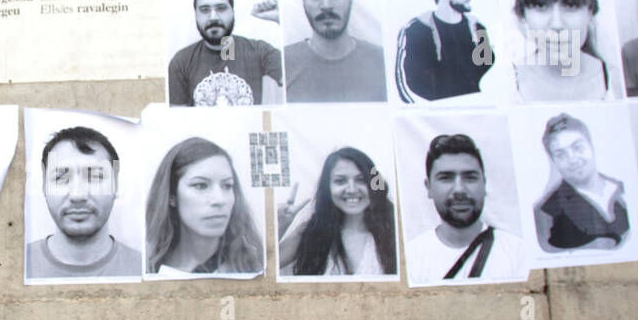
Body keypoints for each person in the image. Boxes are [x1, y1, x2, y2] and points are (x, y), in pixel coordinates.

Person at [405, 134, 526, 281]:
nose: (459, 190)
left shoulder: (518, 253)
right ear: (429, 187)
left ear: (484, 184)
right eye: (446, 178)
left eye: (470, 178)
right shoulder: (411, 258)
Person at [26, 126, 141, 279]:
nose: (78, 195)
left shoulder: (143, 270)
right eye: (61, 178)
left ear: (116, 185)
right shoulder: (16, 265)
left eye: (95, 177)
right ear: (44, 186)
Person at [145, 136, 263, 275]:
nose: (219, 200)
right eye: (200, 185)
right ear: (172, 196)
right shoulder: (148, 269)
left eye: (227, 185)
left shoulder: (256, 266)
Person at [275, 0, 387, 102]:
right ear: (303, 2)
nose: (326, 5)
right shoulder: (280, 62)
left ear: (350, 0)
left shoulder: (382, 61)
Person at [278, 147, 397, 276]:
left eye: (361, 180)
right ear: (327, 188)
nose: (351, 189)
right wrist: (280, 225)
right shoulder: (310, 232)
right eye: (340, 181)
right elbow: (265, 267)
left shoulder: (392, 232)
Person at [511, 0, 610, 101]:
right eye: (541, 5)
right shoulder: (506, 84)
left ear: (590, 13)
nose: (557, 24)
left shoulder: (615, 79)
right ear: (522, 17)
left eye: (571, 5)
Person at [167, 0, 282, 106]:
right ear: (196, 15)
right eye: (205, 10)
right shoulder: (181, 61)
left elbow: (294, 79)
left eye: (221, 8)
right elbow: (177, 120)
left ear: (232, 12)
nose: (213, 17)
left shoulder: (259, 51)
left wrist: (280, 18)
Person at [533, 114, 629, 251]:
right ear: (553, 161)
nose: (572, 159)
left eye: (578, 147)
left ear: (591, 145)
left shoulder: (625, 189)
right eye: (561, 154)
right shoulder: (548, 211)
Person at [395, 0, 494, 101]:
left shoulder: (477, 27)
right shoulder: (417, 29)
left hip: (475, 111)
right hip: (433, 114)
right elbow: (404, 83)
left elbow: (488, 67)